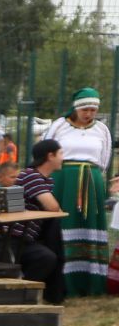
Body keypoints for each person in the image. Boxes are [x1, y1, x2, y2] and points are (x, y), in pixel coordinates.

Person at [35, 89, 113, 297]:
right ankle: (62, 282)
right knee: (62, 225)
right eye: (85, 109)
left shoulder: (102, 130)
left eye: (93, 109)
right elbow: (45, 151)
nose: (89, 113)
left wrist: (94, 178)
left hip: (91, 180)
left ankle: (91, 282)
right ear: (77, 108)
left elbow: (104, 160)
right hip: (63, 181)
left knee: (89, 226)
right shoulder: (60, 125)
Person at [10, 139, 66, 305]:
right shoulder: (31, 175)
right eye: (61, 153)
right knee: (46, 258)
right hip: (13, 238)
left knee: (49, 255)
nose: (63, 158)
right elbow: (53, 207)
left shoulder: (46, 180)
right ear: (50, 156)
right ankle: (20, 294)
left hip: (28, 237)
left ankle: (26, 294)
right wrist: (54, 208)